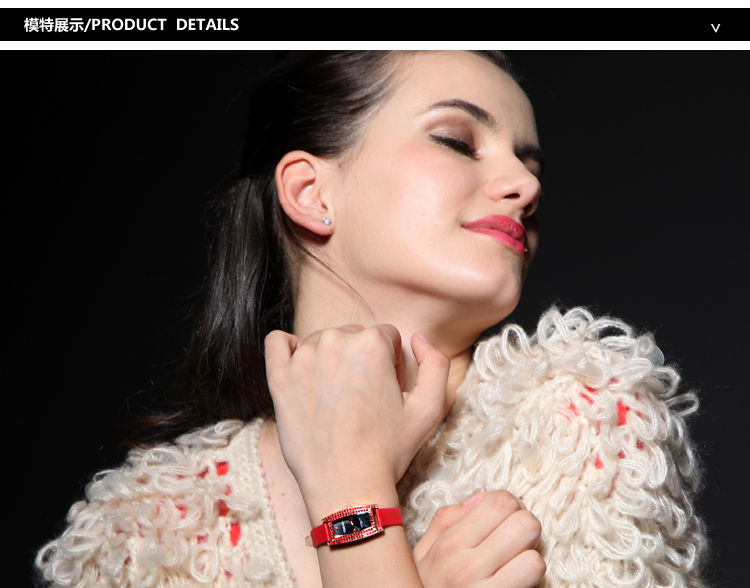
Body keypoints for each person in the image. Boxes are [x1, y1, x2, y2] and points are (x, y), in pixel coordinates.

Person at [35, 50, 705, 588]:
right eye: (457, 140)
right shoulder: (142, 528)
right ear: (310, 192)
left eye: (531, 168)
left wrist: (348, 493)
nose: (526, 188)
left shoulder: (585, 417)